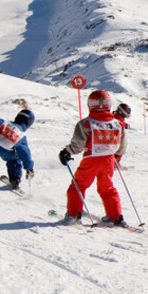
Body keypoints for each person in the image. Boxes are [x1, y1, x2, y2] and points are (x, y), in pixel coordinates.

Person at [58, 90, 128, 226]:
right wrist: (117, 156)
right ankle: (115, 215)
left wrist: (67, 152)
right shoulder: (118, 124)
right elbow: (122, 145)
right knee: (107, 188)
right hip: (109, 159)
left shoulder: (86, 123)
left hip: (91, 159)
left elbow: (77, 145)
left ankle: (73, 215)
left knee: (78, 186)